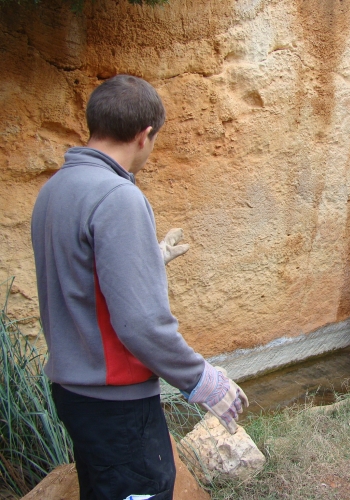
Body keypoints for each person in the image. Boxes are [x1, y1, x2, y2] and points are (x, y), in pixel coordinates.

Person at [31, 74, 247, 500]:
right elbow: (141, 324)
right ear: (145, 135)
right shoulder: (118, 196)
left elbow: (79, 276)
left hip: (74, 393)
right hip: (117, 402)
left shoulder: (54, 189)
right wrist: (202, 380)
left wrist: (149, 261)